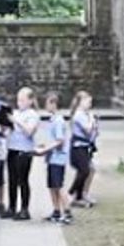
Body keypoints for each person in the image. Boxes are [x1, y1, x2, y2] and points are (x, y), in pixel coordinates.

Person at [35, 93, 73, 224]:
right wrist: (44, 145)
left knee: (59, 185)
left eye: (47, 103)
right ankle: (56, 211)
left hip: (58, 158)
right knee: (52, 185)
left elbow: (60, 140)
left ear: (53, 104)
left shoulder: (58, 121)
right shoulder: (52, 120)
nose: (45, 105)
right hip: (51, 158)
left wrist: (45, 149)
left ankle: (67, 211)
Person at [4, 87, 40, 220]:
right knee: (12, 180)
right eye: (18, 100)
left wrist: (16, 121)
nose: (19, 103)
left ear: (30, 101)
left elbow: (29, 131)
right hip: (12, 148)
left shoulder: (33, 115)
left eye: (23, 100)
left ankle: (25, 209)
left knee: (22, 180)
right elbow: (10, 130)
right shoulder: (16, 112)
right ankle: (12, 207)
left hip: (24, 151)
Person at [68, 91, 98, 208]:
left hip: (85, 147)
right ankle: (72, 192)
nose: (89, 104)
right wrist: (92, 120)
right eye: (87, 101)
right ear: (80, 102)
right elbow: (88, 129)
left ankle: (80, 195)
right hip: (78, 147)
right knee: (84, 170)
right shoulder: (79, 115)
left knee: (89, 170)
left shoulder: (86, 114)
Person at [0, 99, 14, 216]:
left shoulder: (0, 127)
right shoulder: (8, 128)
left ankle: (0, 202)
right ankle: (0, 202)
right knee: (0, 181)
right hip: (0, 155)